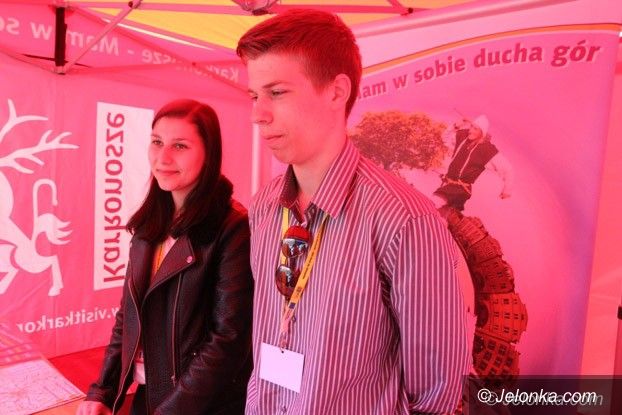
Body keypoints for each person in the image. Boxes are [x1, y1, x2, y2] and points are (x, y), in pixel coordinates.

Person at [237, 9, 470, 415]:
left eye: (277, 93)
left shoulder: (404, 220)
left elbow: (435, 394)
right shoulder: (265, 206)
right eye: (255, 96)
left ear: (336, 92)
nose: (258, 114)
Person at [76, 99, 253, 415]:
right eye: (157, 142)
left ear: (209, 153)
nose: (163, 158)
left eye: (180, 146)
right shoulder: (149, 225)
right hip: (149, 397)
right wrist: (103, 391)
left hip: (201, 407)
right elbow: (128, 318)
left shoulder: (232, 227)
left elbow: (228, 340)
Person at [433, 115, 513, 212]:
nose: (471, 130)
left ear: (482, 133)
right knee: (441, 214)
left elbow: (507, 169)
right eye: (471, 126)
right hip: (448, 184)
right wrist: (457, 125)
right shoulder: (463, 138)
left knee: (433, 205)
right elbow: (444, 138)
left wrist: (507, 190)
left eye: (475, 129)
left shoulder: (486, 150)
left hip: (460, 190)